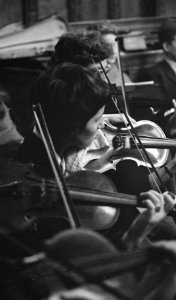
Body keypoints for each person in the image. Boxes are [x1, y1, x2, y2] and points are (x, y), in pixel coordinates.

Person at [19, 62, 176, 246]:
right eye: (96, 120)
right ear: (71, 128)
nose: (102, 124)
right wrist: (141, 227)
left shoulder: (53, 131)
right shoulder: (40, 172)